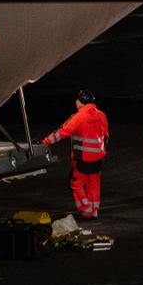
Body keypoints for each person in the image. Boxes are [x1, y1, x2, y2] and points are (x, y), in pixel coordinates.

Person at [41, 89, 109, 219]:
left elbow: (62, 133)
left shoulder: (79, 118)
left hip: (83, 159)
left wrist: (45, 142)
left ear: (79, 102)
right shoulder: (101, 115)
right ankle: (94, 210)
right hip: (98, 158)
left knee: (76, 183)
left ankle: (86, 210)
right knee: (93, 183)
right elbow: (106, 137)